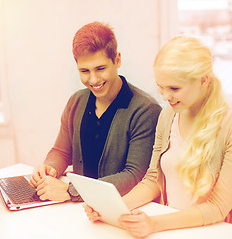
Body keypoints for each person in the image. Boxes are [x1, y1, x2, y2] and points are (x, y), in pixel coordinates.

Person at [84, 36, 232, 238]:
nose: (164, 96)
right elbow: (153, 180)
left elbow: (217, 208)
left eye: (174, 88)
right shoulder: (168, 115)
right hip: (172, 228)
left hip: (216, 231)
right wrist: (113, 208)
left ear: (203, 80)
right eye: (161, 87)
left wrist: (154, 224)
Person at [30, 22, 162, 202]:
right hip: (82, 208)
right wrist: (49, 168)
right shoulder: (76, 101)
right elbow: (61, 151)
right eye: (84, 71)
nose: (93, 79)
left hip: (122, 210)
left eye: (100, 69)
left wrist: (72, 191)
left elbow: (134, 176)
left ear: (117, 60)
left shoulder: (146, 110)